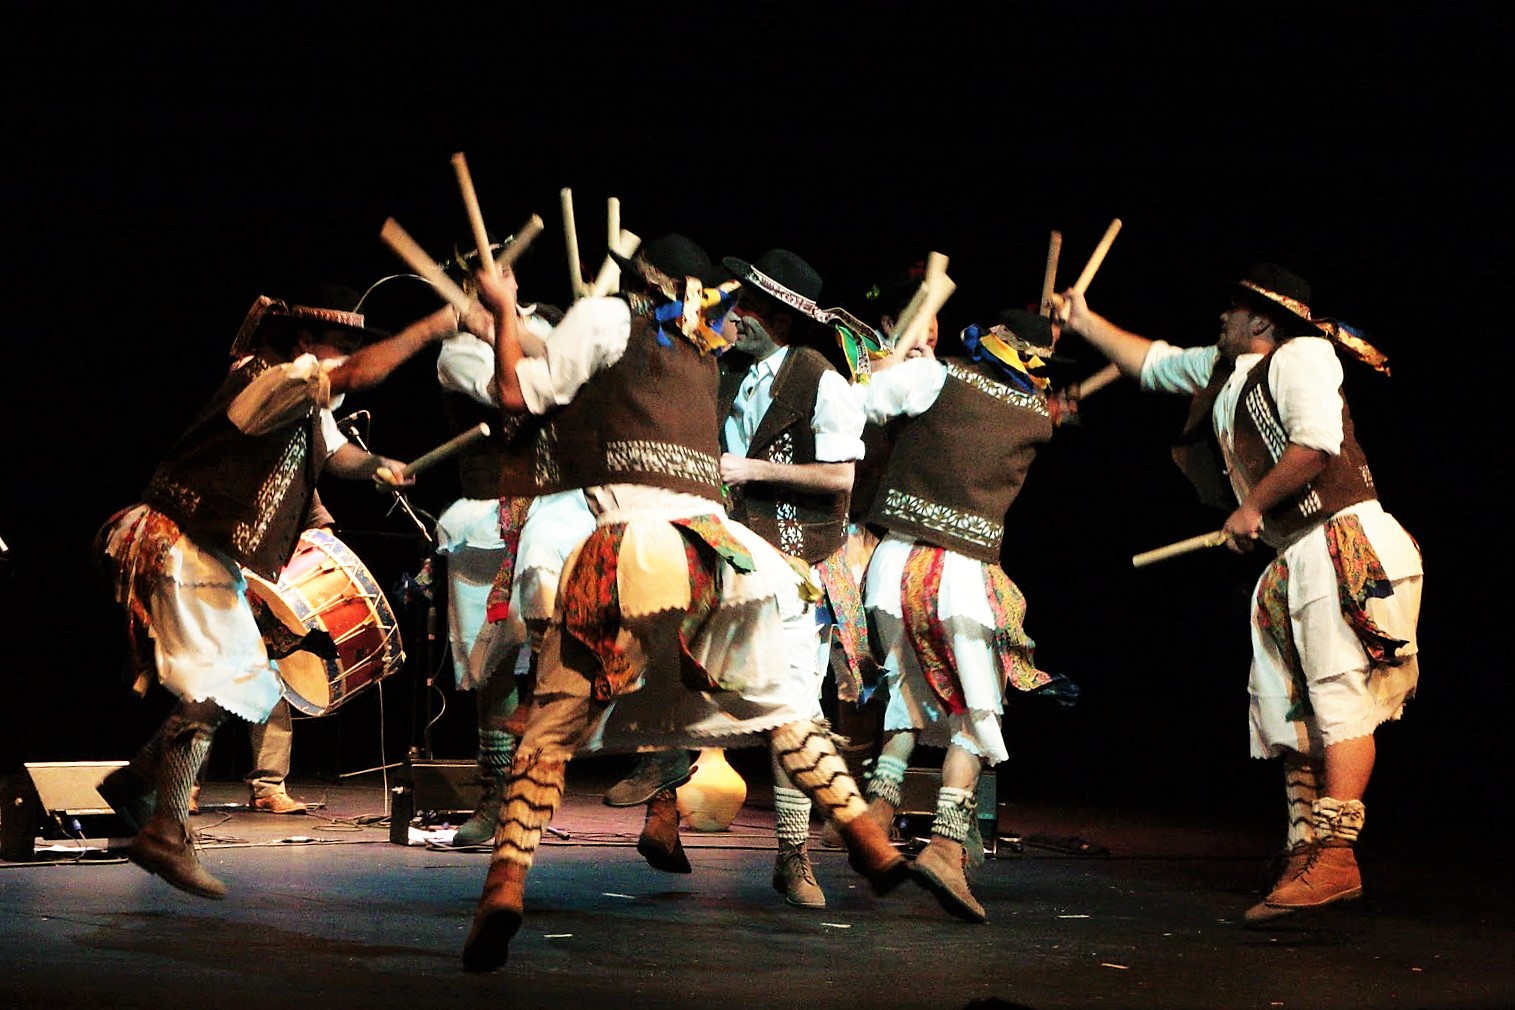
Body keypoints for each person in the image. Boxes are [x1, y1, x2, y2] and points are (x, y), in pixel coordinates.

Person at [461, 233, 914, 973]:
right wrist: (507, 319)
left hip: (629, 544)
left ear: (646, 278)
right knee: (778, 701)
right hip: (717, 551)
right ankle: (863, 832)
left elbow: (518, 392)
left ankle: (505, 885)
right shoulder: (706, 344)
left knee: (552, 721)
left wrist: (502, 309)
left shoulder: (611, 317)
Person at [1054, 262, 1421, 924]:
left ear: (1260, 321)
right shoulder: (1227, 371)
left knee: (1339, 702)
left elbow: (1315, 442)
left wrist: (1250, 506)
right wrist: (1081, 319)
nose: (1219, 317)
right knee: (1288, 711)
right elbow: (1153, 363)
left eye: (1231, 309)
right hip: (1295, 553)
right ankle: (1304, 848)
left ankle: (1336, 855)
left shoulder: (1302, 353)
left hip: (1342, 542)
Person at [94, 287, 467, 898]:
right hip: (180, 540)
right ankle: (164, 828)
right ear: (303, 343)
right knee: (227, 681)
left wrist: (375, 467)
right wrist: (432, 327)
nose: (349, 362)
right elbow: (355, 374)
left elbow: (333, 450)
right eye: (342, 348)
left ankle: (140, 785)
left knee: (242, 679)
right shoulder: (270, 378)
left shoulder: (302, 397)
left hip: (204, 551)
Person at [857, 301, 1076, 924]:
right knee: (974, 708)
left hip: (893, 561)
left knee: (907, 688)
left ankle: (877, 810)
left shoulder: (938, 376)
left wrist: (900, 357)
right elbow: (1039, 407)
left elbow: (866, 400)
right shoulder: (1038, 417)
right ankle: (947, 845)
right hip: (959, 574)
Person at [432, 252, 593, 848]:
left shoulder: (550, 323)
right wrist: (493, 323)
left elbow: (569, 367)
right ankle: (495, 791)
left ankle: (539, 782)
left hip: (560, 508)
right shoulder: (458, 348)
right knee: (494, 662)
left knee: (566, 646)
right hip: (490, 512)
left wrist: (509, 320)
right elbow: (517, 392)